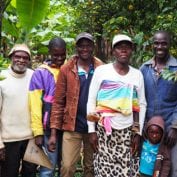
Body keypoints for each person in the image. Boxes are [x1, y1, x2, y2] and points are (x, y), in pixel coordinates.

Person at [87, 34, 146, 176]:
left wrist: (137, 133)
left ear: (132, 50)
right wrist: (91, 130)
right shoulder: (102, 71)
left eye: (127, 47)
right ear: (113, 51)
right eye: (119, 47)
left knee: (126, 170)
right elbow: (91, 100)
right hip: (103, 131)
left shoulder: (137, 75)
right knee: (104, 170)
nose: (123, 50)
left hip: (127, 131)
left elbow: (142, 104)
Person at [48, 32, 103, 177]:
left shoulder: (101, 68)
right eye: (81, 46)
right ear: (76, 48)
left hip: (94, 128)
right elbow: (58, 102)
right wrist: (53, 133)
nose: (85, 49)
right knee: (67, 167)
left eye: (88, 45)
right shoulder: (67, 69)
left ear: (93, 47)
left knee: (91, 167)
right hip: (72, 126)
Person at [140, 30, 177, 177]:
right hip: (150, 131)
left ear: (170, 44)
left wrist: (175, 126)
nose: (159, 46)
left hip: (171, 129)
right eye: (156, 43)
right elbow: (140, 100)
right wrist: (143, 125)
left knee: (173, 169)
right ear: (152, 45)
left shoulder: (176, 69)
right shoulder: (144, 69)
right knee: (150, 169)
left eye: (164, 43)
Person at [29, 37, 66, 177]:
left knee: (65, 165)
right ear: (49, 52)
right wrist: (38, 132)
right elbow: (34, 104)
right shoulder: (40, 73)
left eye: (63, 54)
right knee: (48, 167)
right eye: (56, 54)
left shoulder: (68, 69)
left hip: (67, 126)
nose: (60, 58)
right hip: (48, 128)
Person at [0, 44, 36, 177]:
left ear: (29, 60)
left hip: (31, 137)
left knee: (30, 173)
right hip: (9, 139)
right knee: (9, 173)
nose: (21, 60)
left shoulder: (34, 76)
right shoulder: (2, 78)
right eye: (17, 57)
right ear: (11, 57)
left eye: (25, 58)